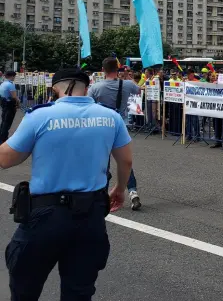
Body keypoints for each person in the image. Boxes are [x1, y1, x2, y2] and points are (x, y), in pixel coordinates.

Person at [0, 68, 133, 300]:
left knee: (25, 287)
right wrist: (120, 189)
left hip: (45, 216)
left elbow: (6, 159)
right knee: (79, 291)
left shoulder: (40, 116)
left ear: (54, 89)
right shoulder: (110, 117)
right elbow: (126, 160)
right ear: (88, 87)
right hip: (91, 215)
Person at [88, 57, 143, 210]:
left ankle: (103, 195)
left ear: (102, 69)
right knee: (124, 162)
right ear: (118, 69)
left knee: (103, 161)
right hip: (121, 126)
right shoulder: (127, 85)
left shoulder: (95, 87)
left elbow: (88, 106)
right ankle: (132, 192)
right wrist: (129, 78)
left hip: (102, 126)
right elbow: (139, 89)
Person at [0, 71, 20, 144]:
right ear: (12, 76)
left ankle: (1, 136)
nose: (14, 78)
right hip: (9, 104)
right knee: (7, 122)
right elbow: (14, 96)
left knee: (4, 121)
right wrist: (18, 103)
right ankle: (3, 138)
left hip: (3, 103)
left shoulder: (3, 84)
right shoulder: (10, 85)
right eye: (14, 76)